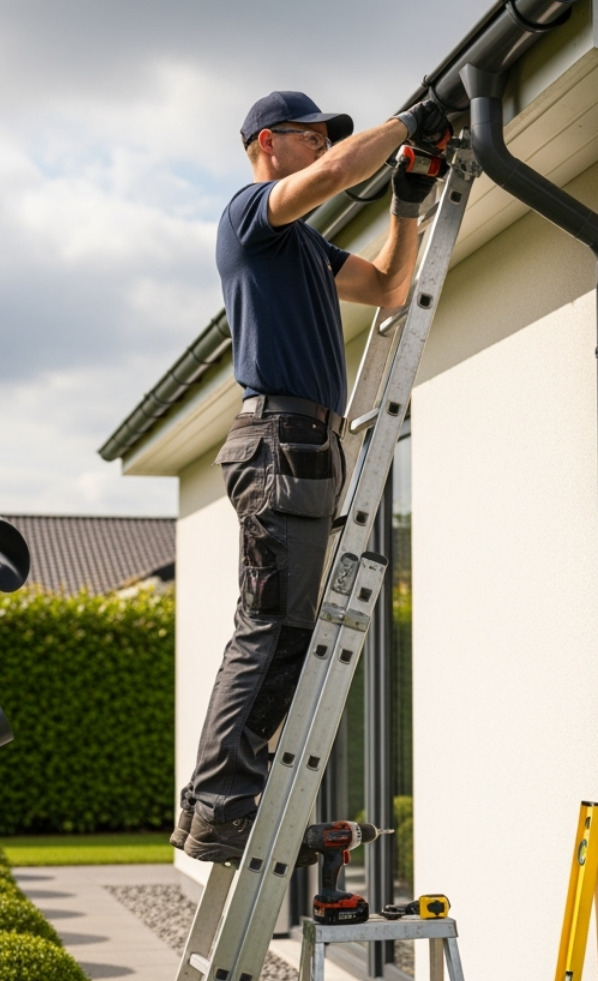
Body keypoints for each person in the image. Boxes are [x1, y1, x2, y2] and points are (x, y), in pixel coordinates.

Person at [174, 90, 452, 862]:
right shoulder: (250, 216)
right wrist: (411, 121)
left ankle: (221, 800)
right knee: (271, 628)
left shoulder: (305, 248)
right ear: (270, 143)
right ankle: (223, 801)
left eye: (327, 137)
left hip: (304, 449)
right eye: (311, 135)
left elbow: (392, 287)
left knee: (287, 633)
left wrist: (408, 199)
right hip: (280, 444)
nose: (325, 145)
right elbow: (334, 173)